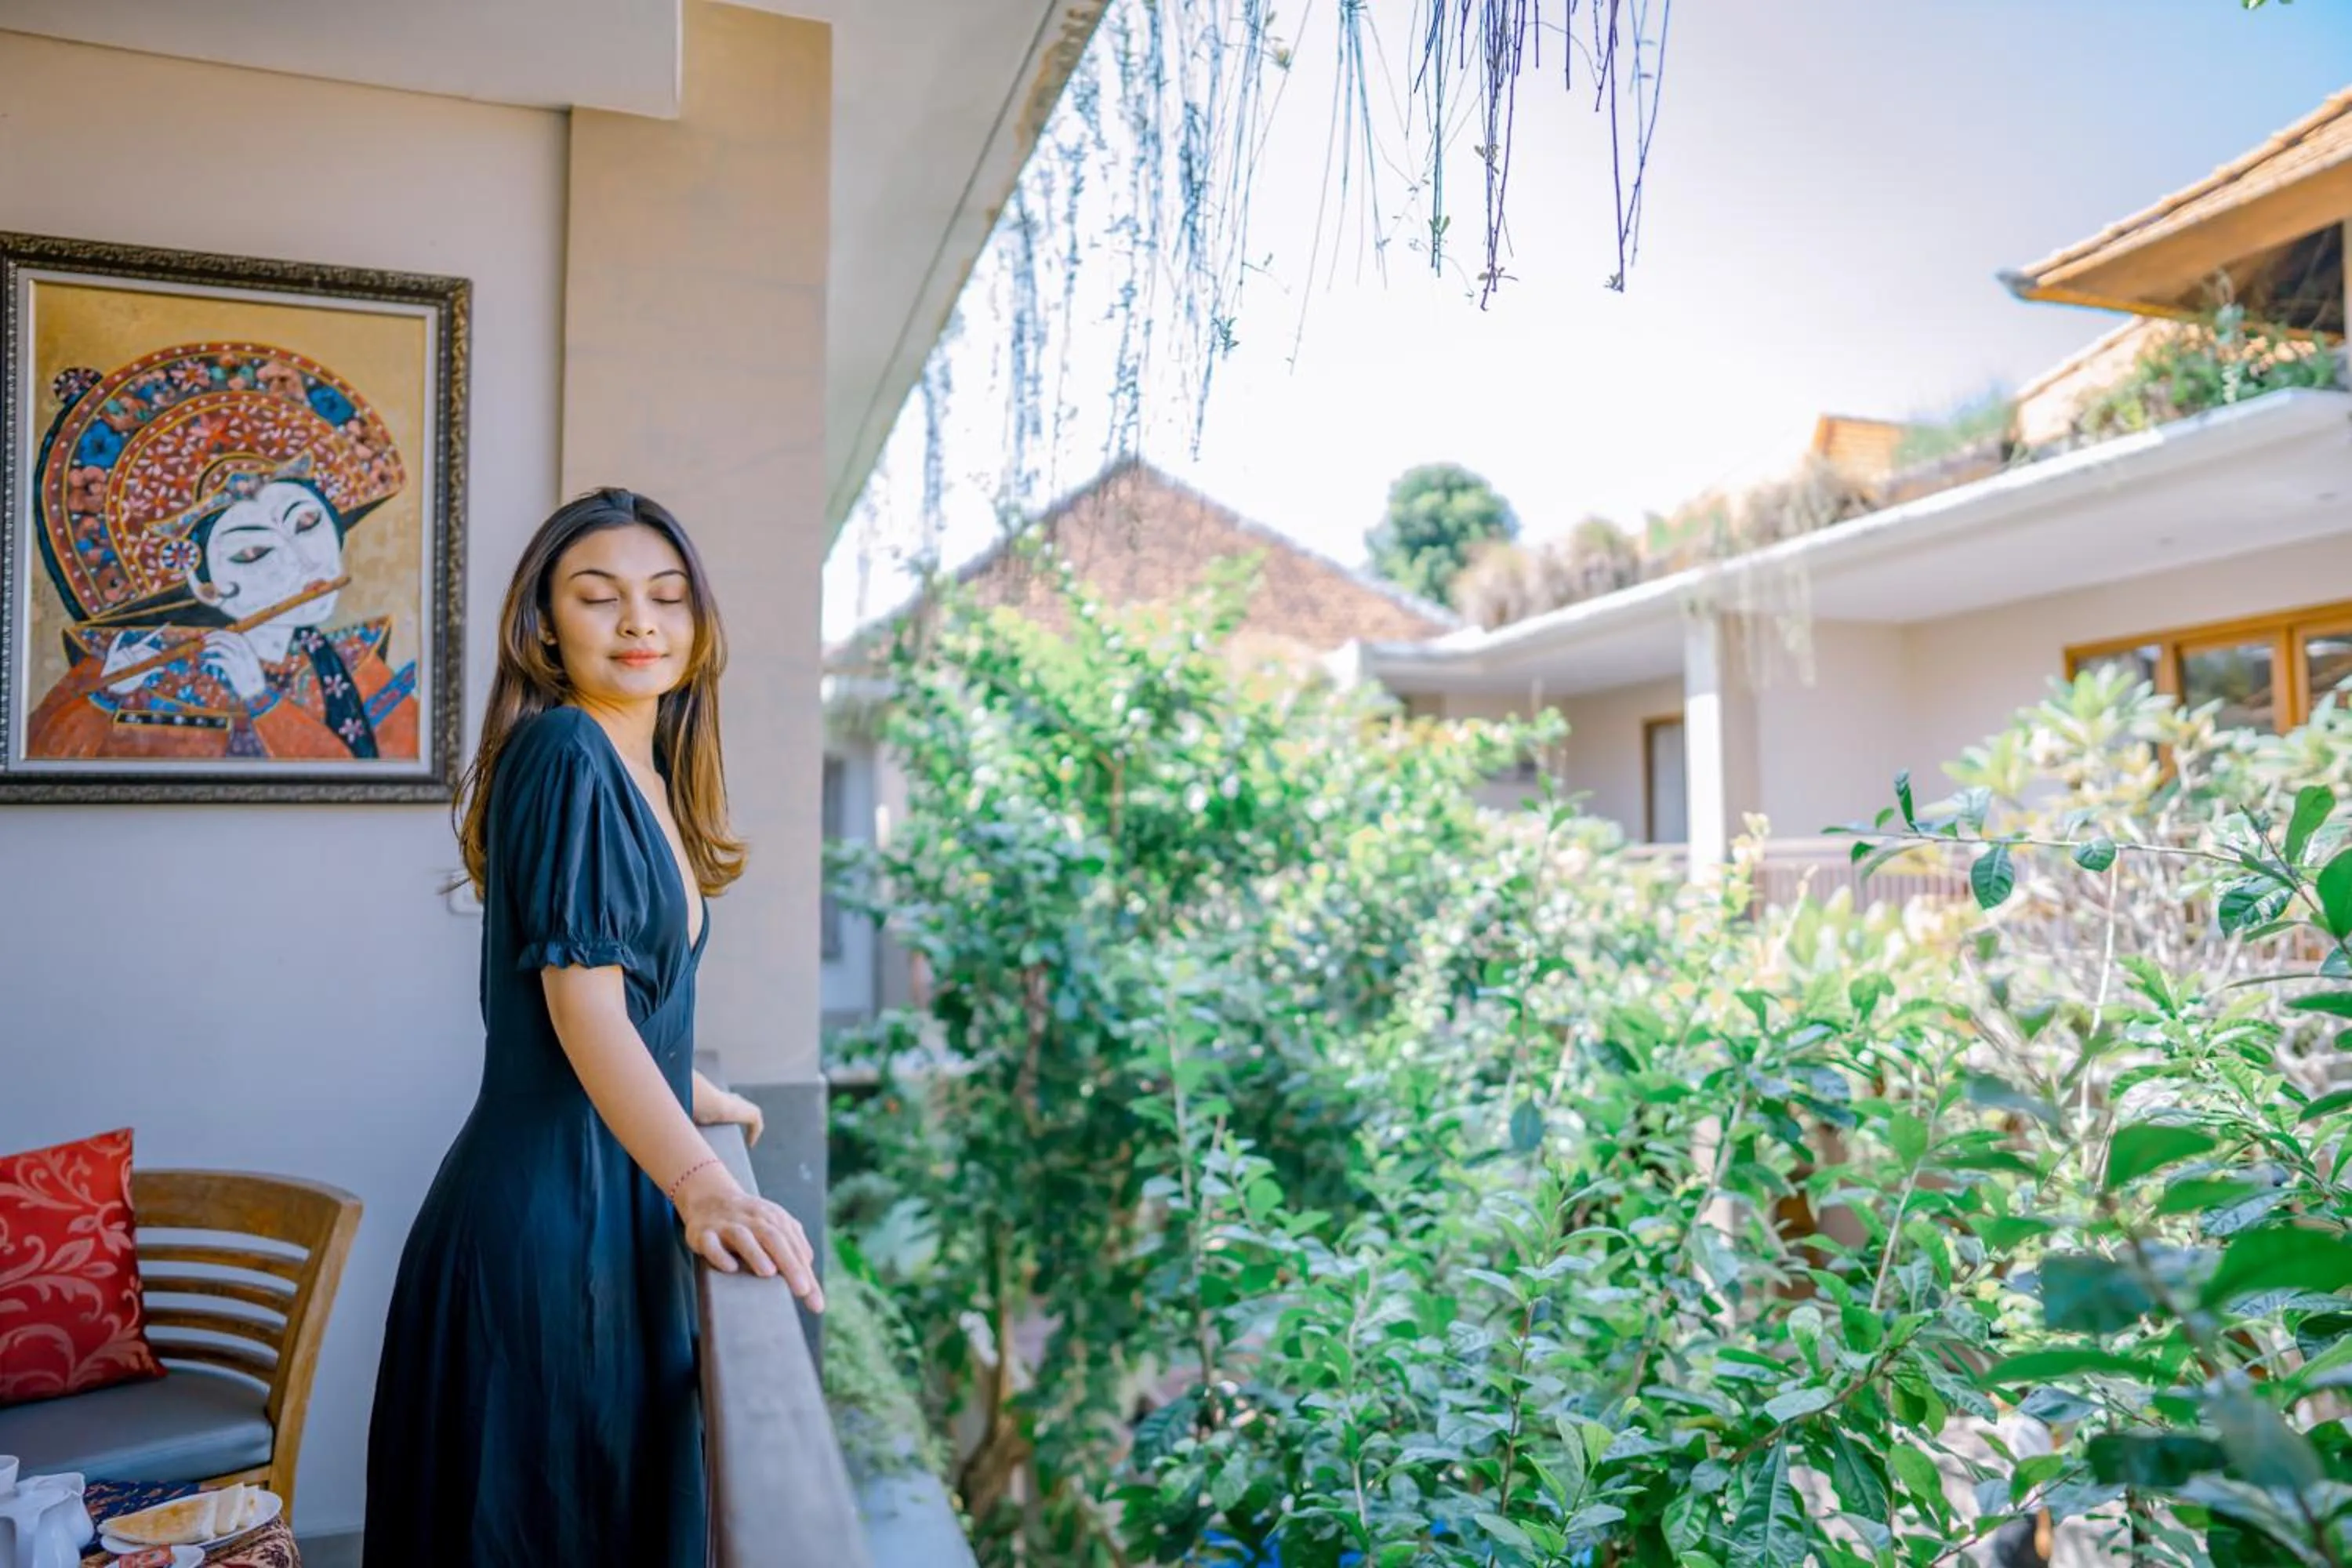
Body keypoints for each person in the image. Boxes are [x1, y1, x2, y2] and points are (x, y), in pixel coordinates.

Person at [364, 488, 823, 1566]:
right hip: (547, 1231)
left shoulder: (645, 769)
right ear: (545, 623)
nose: (639, 623)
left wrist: (696, 1096)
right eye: (599, 596)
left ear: (699, 623)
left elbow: (630, 1014)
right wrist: (705, 1180)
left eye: (667, 597)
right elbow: (580, 1011)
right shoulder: (568, 749)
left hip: (600, 1205)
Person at [24, 347, 419, 762]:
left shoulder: (350, 664)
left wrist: (259, 696)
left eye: (306, 524)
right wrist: (110, 693)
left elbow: (375, 781)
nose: (303, 562)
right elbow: (33, 762)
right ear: (206, 586)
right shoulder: (135, 663)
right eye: (253, 551)